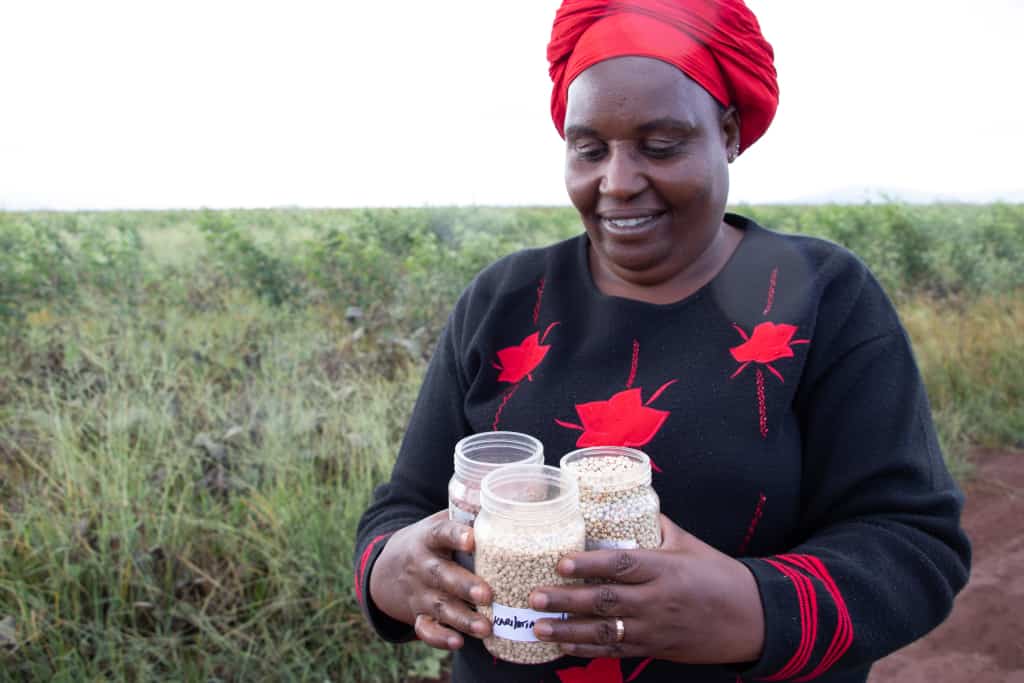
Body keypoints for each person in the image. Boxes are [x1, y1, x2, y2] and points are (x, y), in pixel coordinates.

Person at [353, 1, 971, 681]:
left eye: (661, 144)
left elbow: (916, 545)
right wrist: (394, 567)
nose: (617, 182)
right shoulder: (504, 301)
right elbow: (402, 507)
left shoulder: (823, 296)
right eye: (589, 149)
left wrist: (747, 606)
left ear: (728, 133)